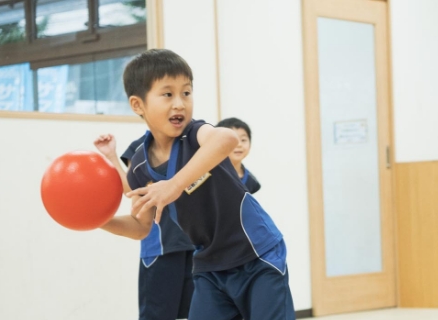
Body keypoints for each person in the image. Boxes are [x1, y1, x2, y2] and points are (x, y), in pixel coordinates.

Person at [100, 48, 294, 320]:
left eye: (186, 93)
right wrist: (99, 220)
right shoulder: (140, 165)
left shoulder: (196, 133)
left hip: (257, 253)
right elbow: (141, 226)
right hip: (209, 265)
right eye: (167, 94)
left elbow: (226, 139)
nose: (179, 103)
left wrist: (174, 184)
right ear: (138, 105)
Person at [94, 134, 194, 320]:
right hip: (160, 248)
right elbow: (133, 189)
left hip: (194, 246)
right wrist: (111, 156)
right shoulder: (141, 147)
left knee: (190, 314)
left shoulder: (190, 141)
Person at [216, 117, 261, 194]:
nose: (239, 144)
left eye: (243, 140)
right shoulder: (211, 175)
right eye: (232, 140)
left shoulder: (251, 181)